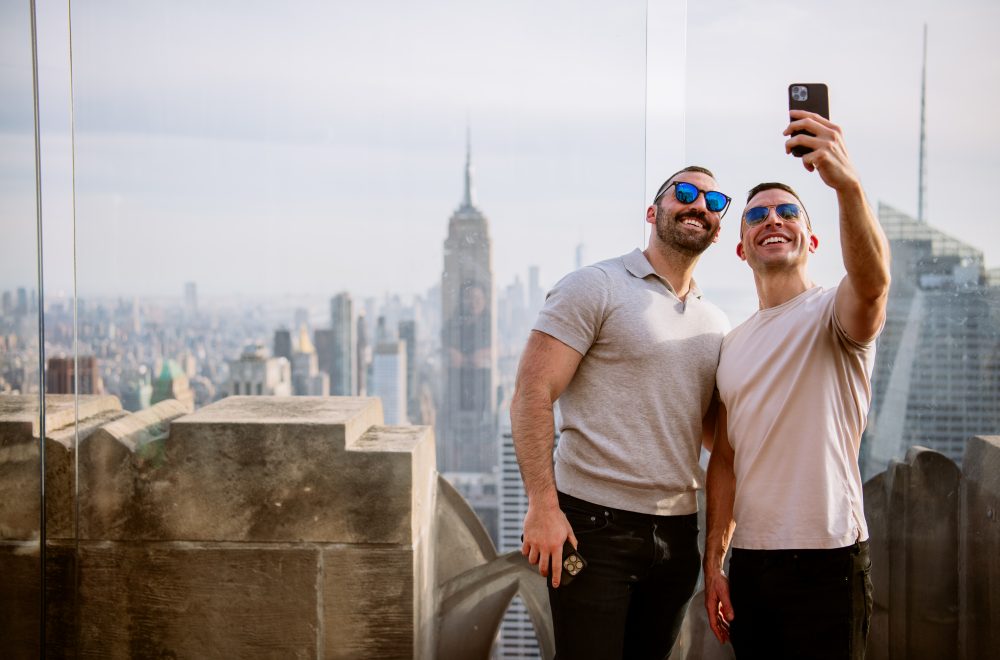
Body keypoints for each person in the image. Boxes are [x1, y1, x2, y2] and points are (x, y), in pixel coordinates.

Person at [511, 166, 732, 658]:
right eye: (687, 193)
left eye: (714, 203)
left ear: (719, 230)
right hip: (593, 528)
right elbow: (532, 391)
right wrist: (543, 506)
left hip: (678, 535)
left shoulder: (715, 323)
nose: (700, 206)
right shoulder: (596, 286)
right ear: (653, 212)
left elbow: (721, 440)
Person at [703, 111, 891, 659]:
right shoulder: (732, 345)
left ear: (810, 237)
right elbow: (727, 460)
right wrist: (713, 562)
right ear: (741, 248)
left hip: (830, 558)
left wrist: (846, 185)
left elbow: (874, 283)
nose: (773, 220)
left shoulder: (835, 312)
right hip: (753, 565)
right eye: (757, 216)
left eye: (788, 212)